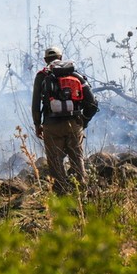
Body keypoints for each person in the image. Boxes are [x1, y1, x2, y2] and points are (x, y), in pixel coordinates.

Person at [31, 46, 99, 194]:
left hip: (51, 125)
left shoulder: (42, 76)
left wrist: (37, 124)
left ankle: (61, 195)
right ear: (61, 58)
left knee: (55, 161)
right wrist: (83, 121)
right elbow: (93, 103)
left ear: (45, 60)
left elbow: (36, 103)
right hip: (74, 123)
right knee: (77, 158)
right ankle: (81, 192)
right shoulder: (75, 75)